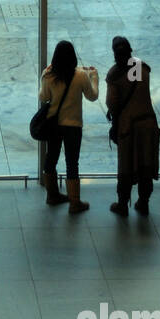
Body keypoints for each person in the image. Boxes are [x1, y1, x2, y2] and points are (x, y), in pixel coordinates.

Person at [39, 40, 99, 213]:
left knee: (51, 158)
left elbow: (43, 97)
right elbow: (93, 96)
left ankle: (52, 195)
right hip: (73, 126)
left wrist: (45, 74)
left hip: (54, 125)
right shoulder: (80, 75)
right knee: (72, 163)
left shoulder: (49, 75)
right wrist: (93, 78)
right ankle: (75, 202)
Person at [105, 37, 160, 216]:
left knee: (126, 165)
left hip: (128, 126)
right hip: (148, 122)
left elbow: (112, 103)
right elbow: (137, 90)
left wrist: (114, 116)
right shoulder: (141, 67)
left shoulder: (115, 74)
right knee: (146, 163)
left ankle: (122, 204)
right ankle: (143, 202)